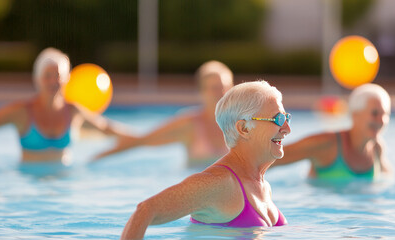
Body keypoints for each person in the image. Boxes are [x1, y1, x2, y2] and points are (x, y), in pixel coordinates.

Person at [120, 81, 290, 239]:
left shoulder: (262, 186)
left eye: (286, 118)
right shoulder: (219, 183)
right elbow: (145, 210)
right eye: (278, 119)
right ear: (244, 128)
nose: (287, 129)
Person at [0, 47, 130, 164]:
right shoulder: (22, 111)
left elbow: (106, 127)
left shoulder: (73, 111)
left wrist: (140, 139)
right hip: (29, 183)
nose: (53, 81)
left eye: (58, 76)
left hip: (65, 182)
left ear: (66, 79)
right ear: (37, 78)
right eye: (47, 75)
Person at [94, 60, 233, 167]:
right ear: (201, 92)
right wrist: (98, 158)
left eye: (224, 87)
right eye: (214, 88)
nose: (220, 93)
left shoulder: (241, 124)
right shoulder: (189, 123)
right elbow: (143, 140)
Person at [273, 83, 393, 180]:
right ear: (355, 114)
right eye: (375, 113)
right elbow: (270, 158)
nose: (381, 120)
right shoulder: (326, 144)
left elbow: (389, 179)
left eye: (385, 114)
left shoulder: (377, 148)